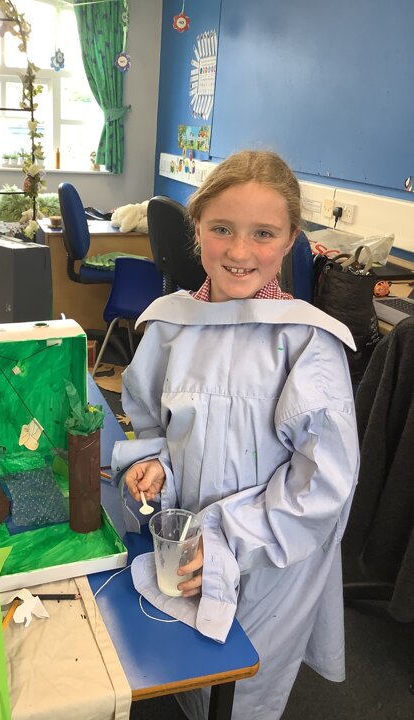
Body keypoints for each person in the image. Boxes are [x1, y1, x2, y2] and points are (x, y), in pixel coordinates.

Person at [111, 150, 360, 720]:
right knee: (177, 671)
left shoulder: (306, 344)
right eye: (221, 228)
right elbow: (156, 427)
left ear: (291, 238)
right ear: (197, 226)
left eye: (263, 233)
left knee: (241, 691)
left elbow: (322, 484)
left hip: (270, 557)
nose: (240, 252)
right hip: (183, 546)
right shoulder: (169, 326)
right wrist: (154, 468)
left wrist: (227, 537)